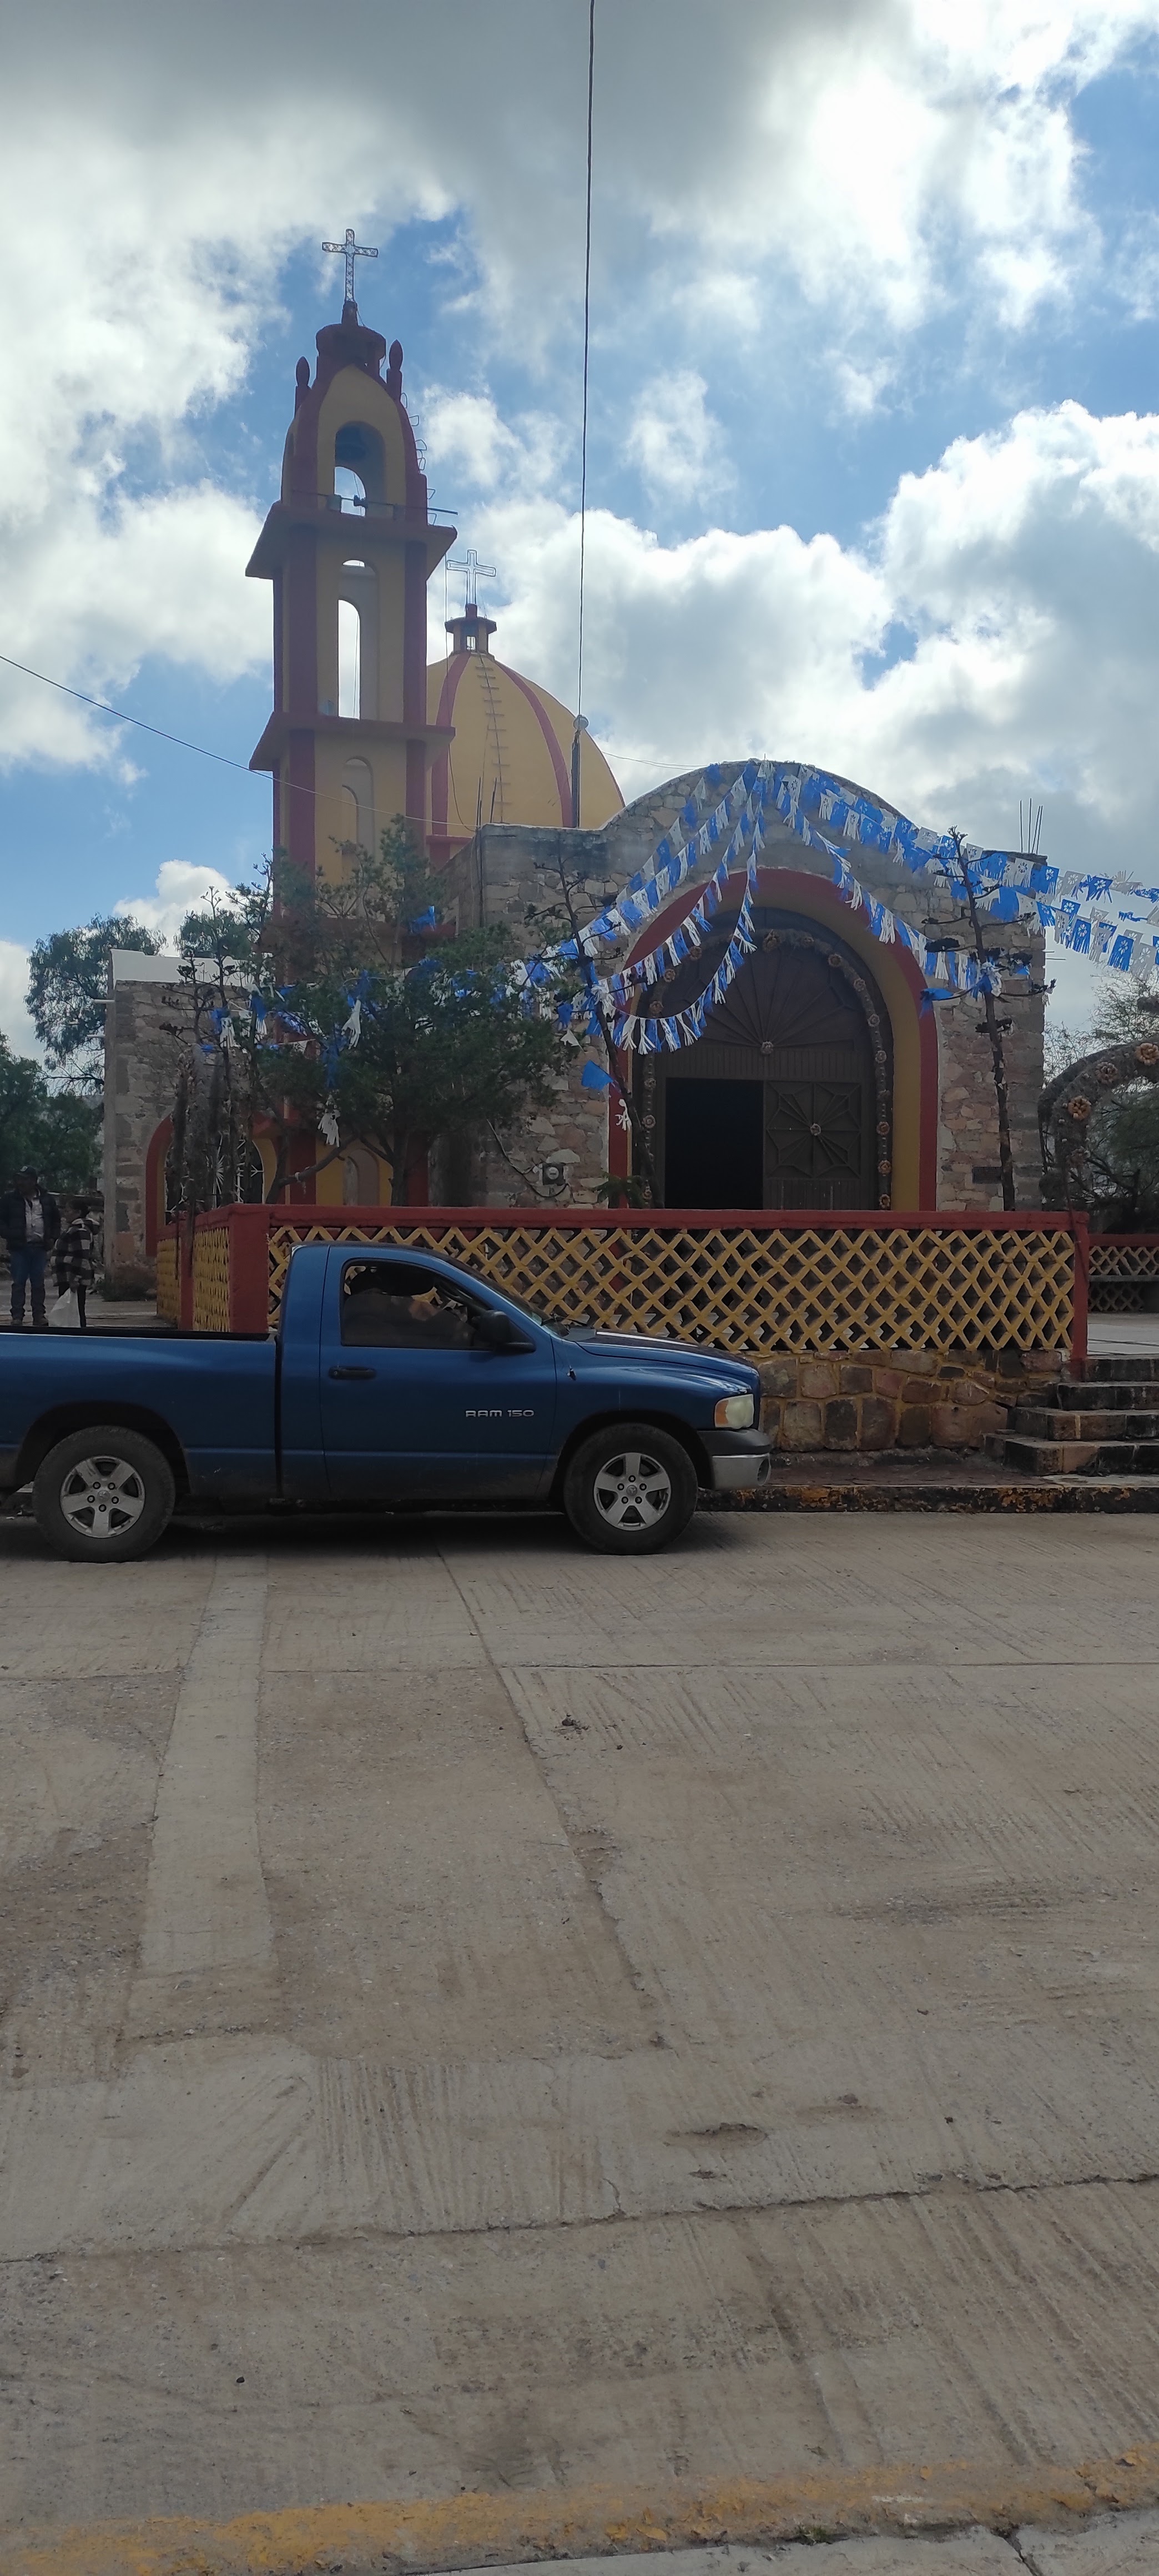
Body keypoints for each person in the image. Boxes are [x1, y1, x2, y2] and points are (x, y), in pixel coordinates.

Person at [0, 1166, 61, 1329]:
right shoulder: (9, 1200)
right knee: (19, 1282)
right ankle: (17, 1316)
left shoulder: (47, 1199)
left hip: (39, 1247)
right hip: (19, 1248)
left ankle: (39, 1315)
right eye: (19, 1179)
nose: (21, 1183)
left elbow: (56, 1221)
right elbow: (2, 1221)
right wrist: (10, 1234)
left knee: (38, 1283)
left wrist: (52, 1238)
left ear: (34, 1181)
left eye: (25, 1179)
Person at [53, 1196, 98, 1329]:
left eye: (68, 1211)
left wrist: (75, 1278)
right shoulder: (73, 1229)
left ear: (78, 1213)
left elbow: (81, 1256)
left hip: (72, 1276)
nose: (65, 1214)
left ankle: (79, 1333)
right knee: (72, 1309)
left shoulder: (80, 1230)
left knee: (77, 1309)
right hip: (66, 1275)